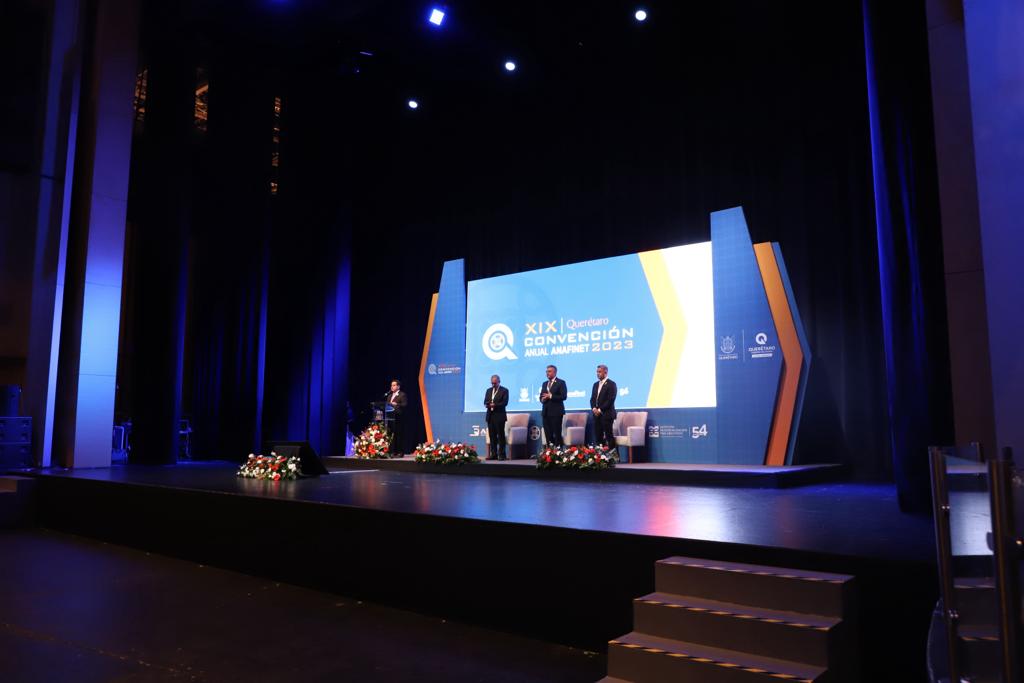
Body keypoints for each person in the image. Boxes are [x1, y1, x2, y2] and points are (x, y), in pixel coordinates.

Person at [538, 364, 567, 446]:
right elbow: (541, 396)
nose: (547, 373)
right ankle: (550, 451)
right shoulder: (544, 384)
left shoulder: (561, 382)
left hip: (556, 412)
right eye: (546, 372)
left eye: (549, 371)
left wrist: (551, 396)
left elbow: (563, 396)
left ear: (555, 372)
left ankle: (558, 451)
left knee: (557, 434)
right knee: (548, 434)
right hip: (546, 412)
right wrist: (542, 399)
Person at [590, 364, 617, 448]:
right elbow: (592, 399)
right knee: (598, 436)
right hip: (596, 415)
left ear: (605, 372)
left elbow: (610, 400)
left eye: (599, 372)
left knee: (609, 436)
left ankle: (613, 455)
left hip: (607, 415)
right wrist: (594, 408)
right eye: (597, 372)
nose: (597, 373)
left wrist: (599, 410)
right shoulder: (595, 384)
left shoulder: (611, 384)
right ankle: (600, 455)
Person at [483, 374, 509, 460]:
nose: (493, 385)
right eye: (492, 383)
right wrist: (488, 404)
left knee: (500, 436)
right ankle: (493, 454)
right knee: (492, 436)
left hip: (499, 416)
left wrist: (495, 405)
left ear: (499, 381)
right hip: (490, 416)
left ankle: (502, 455)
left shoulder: (504, 390)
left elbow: (504, 403)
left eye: (495, 383)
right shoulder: (488, 390)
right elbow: (485, 401)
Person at [385, 379, 407, 455]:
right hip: (390, 418)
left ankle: (400, 451)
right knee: (391, 435)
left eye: (394, 385)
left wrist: (396, 404)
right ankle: (392, 451)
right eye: (391, 385)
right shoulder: (389, 396)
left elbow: (405, 405)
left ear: (398, 386)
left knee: (398, 435)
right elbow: (387, 406)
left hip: (398, 417)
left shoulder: (402, 395)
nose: (392, 387)